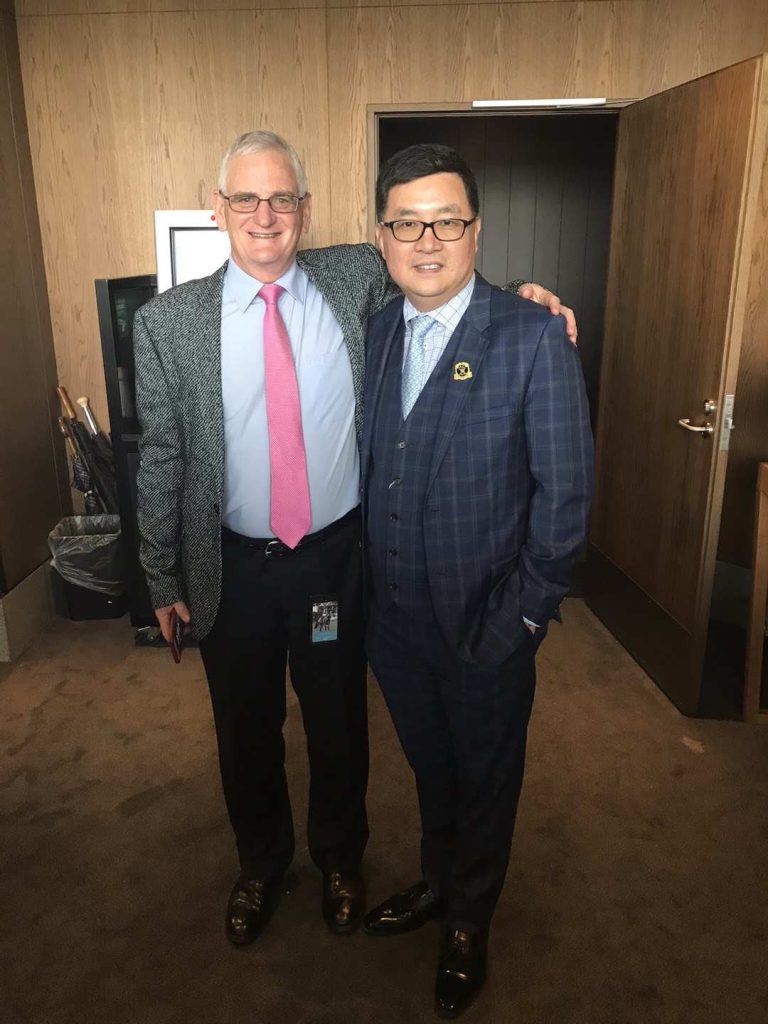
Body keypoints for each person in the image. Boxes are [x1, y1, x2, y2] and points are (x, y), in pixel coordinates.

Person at [132, 130, 576, 948]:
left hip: (335, 563)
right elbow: (161, 455)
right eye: (245, 198)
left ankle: (341, 861)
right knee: (244, 730)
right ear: (217, 209)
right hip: (230, 566)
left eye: (282, 198)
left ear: (306, 210)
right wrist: (160, 576)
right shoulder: (168, 322)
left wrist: (526, 296)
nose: (264, 215)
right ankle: (262, 865)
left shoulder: (353, 276)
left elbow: (442, 278)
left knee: (339, 725)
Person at [361, 143, 593, 1018]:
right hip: (393, 625)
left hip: (487, 625)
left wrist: (523, 620)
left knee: (487, 777)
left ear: (476, 230)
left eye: (446, 221)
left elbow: (565, 499)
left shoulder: (531, 335)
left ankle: (469, 920)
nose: (427, 241)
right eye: (406, 223)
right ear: (381, 237)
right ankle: (438, 880)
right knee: (431, 768)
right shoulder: (378, 327)